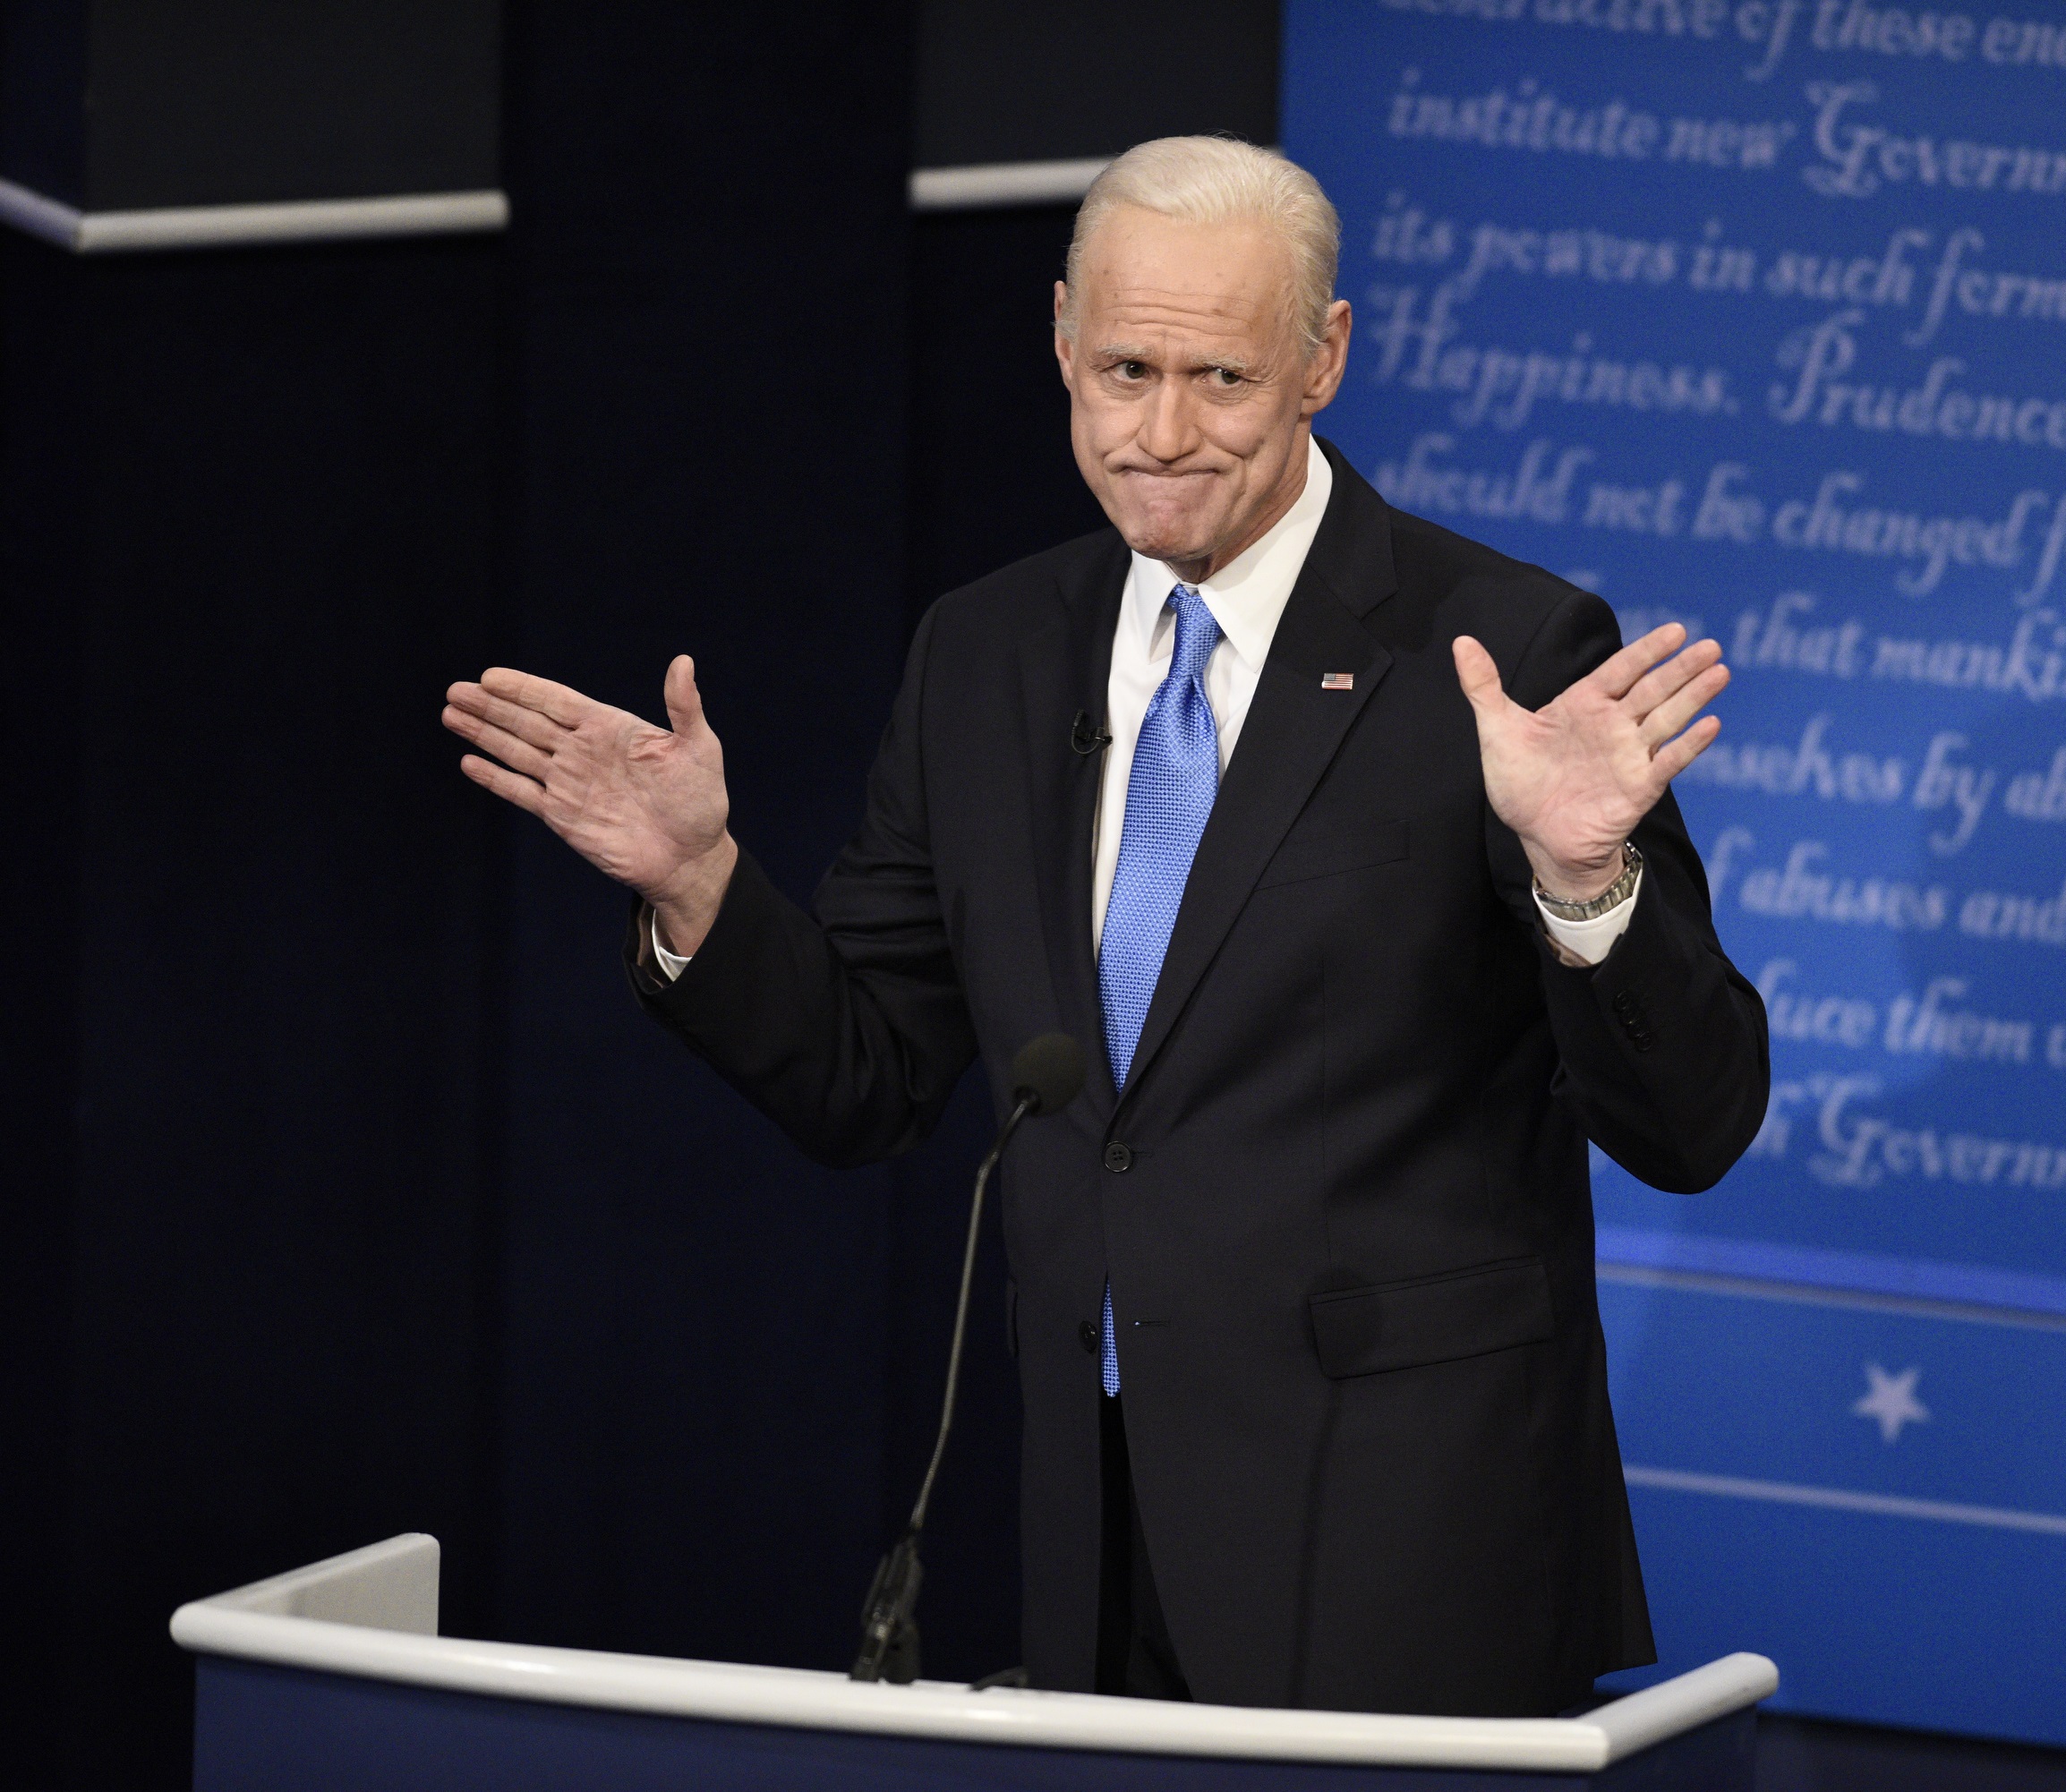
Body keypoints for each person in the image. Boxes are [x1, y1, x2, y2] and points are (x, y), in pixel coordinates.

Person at [443, 137, 1768, 1717]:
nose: (1162, 432)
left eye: (1220, 375)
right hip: (1098, 1526)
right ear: (1062, 336)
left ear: (1323, 359)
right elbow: (868, 1072)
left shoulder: (1500, 649)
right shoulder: (986, 655)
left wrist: (1583, 882)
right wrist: (699, 891)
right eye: (1125, 367)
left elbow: (1693, 1126)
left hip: (1410, 1545)